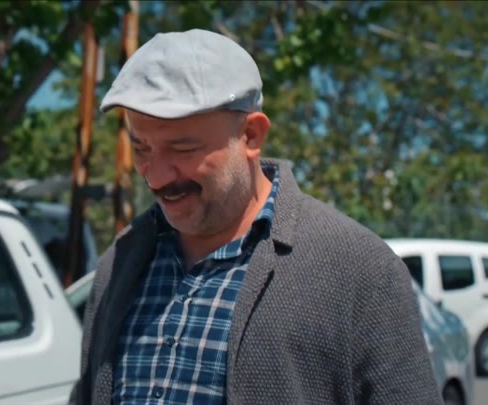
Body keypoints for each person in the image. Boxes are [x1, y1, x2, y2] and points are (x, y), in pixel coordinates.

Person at [73, 29, 441, 405]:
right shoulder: (121, 261)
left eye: (181, 148)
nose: (156, 176)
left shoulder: (359, 270)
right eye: (141, 148)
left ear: (250, 135)